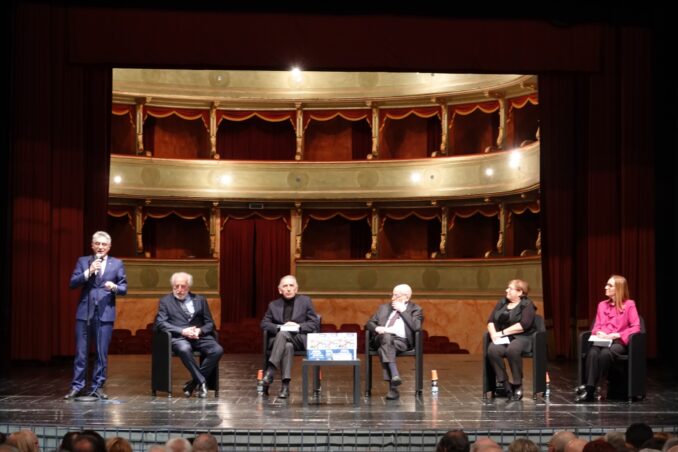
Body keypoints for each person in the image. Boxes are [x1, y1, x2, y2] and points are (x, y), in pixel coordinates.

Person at [65, 231, 127, 400]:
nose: (100, 247)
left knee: (101, 352)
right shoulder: (83, 261)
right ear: (92, 245)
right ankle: (77, 386)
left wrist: (114, 286)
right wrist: (88, 272)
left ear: (109, 247)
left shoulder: (117, 263)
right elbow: (72, 283)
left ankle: (98, 386)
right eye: (97, 244)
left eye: (104, 244)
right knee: (81, 352)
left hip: (105, 313)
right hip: (84, 313)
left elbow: (124, 289)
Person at [155, 272, 223, 398]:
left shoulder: (200, 300)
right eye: (176, 286)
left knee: (217, 350)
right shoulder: (165, 301)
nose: (179, 290)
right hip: (179, 338)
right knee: (184, 349)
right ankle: (202, 381)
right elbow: (161, 323)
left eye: (183, 286)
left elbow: (210, 323)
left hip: (199, 337)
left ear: (188, 287)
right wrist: (182, 331)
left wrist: (199, 331)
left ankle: (192, 384)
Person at [575, 275, 641, 402]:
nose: (606, 287)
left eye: (609, 285)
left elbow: (636, 327)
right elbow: (597, 325)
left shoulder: (629, 305)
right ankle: (590, 390)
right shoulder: (602, 305)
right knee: (593, 353)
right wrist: (599, 332)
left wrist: (617, 335)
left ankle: (601, 384)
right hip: (603, 340)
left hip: (618, 341)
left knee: (605, 354)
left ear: (618, 289)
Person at [260, 275, 320, 399]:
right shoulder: (273, 305)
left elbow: (314, 323)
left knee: (283, 334)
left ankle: (270, 371)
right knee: (287, 345)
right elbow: (264, 323)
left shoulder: (305, 301)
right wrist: (279, 327)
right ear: (279, 289)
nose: (288, 289)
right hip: (280, 341)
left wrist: (298, 326)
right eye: (285, 286)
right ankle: (285, 387)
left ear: (296, 289)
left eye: (291, 286)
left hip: (299, 338)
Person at [365, 283, 423, 400]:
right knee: (386, 337)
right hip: (380, 338)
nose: (392, 298)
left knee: (384, 348)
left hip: (401, 342)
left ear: (406, 297)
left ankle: (393, 388)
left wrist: (403, 311)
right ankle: (394, 374)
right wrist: (376, 328)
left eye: (396, 295)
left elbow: (416, 327)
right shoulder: (384, 308)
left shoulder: (415, 309)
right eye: (392, 295)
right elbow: (369, 323)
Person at [486, 279, 536, 401]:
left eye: (510, 288)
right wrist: (493, 334)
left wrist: (501, 333)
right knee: (493, 349)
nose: (506, 290)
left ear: (520, 292)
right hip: (504, 338)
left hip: (523, 337)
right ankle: (505, 384)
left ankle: (518, 384)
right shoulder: (502, 303)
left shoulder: (527, 304)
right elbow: (490, 320)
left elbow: (523, 325)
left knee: (513, 350)